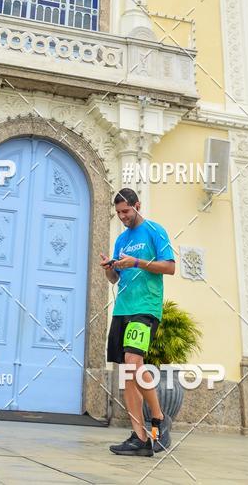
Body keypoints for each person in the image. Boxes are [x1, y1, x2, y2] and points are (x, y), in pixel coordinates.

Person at [100, 187, 175, 457]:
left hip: (146, 308)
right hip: (122, 309)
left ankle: (158, 417)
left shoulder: (155, 231)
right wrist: (111, 269)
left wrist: (137, 262)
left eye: (126, 211)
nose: (122, 217)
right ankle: (139, 438)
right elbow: (115, 280)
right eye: (118, 213)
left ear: (137, 205)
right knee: (126, 372)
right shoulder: (120, 240)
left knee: (134, 362)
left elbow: (170, 267)